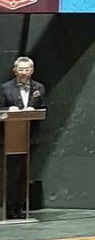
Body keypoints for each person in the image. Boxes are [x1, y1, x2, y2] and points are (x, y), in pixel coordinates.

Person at [2, 55, 45, 217]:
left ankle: (21, 208)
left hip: (29, 136)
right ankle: (9, 208)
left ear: (32, 71)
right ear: (15, 71)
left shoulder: (38, 88)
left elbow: (42, 107)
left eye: (27, 70)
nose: (24, 73)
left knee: (24, 174)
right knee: (11, 174)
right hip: (10, 138)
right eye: (21, 70)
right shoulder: (5, 88)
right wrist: (8, 111)